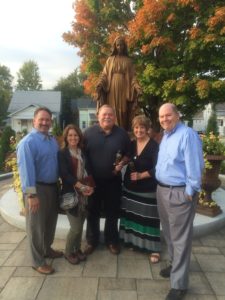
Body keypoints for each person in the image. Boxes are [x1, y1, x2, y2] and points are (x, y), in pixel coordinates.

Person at [155, 103, 204, 300]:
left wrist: (190, 191)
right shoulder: (166, 136)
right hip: (163, 190)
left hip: (179, 193)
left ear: (177, 115)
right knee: (169, 233)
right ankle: (175, 265)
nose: (164, 119)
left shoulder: (187, 135)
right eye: (161, 117)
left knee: (181, 238)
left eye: (168, 115)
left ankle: (179, 284)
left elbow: (196, 164)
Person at [17, 107, 63, 275]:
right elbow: (26, 171)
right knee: (35, 226)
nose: (44, 122)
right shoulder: (27, 143)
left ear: (51, 121)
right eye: (41, 119)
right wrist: (31, 195)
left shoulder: (51, 140)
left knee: (50, 222)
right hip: (37, 189)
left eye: (47, 120)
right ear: (34, 120)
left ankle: (46, 249)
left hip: (52, 187)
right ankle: (37, 261)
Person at [83, 104, 131, 255]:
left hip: (113, 181)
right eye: (104, 114)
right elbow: (82, 156)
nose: (107, 117)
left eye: (110, 115)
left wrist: (122, 163)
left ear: (115, 117)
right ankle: (92, 241)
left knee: (112, 212)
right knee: (92, 212)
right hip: (93, 181)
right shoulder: (88, 133)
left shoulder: (122, 134)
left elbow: (128, 153)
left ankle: (112, 241)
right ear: (98, 116)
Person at [119, 115, 161, 263]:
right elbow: (126, 157)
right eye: (136, 127)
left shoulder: (154, 146)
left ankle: (154, 248)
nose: (139, 130)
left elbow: (159, 168)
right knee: (132, 217)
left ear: (147, 129)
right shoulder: (131, 144)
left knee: (149, 219)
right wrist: (120, 164)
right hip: (130, 188)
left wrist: (142, 175)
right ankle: (134, 243)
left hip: (148, 189)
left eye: (142, 127)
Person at [58, 124, 94, 265]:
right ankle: (68, 252)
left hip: (84, 195)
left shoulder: (82, 152)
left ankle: (77, 249)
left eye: (76, 135)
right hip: (71, 195)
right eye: (70, 135)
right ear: (66, 137)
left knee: (81, 224)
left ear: (79, 137)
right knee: (76, 227)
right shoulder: (62, 153)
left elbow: (89, 171)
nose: (73, 138)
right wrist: (81, 186)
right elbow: (65, 175)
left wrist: (90, 187)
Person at [96, 36, 142, 131]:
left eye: (121, 45)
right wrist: (100, 83)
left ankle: (122, 131)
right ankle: (111, 130)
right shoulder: (110, 60)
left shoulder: (129, 61)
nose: (120, 47)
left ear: (124, 46)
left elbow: (133, 77)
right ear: (115, 46)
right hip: (111, 88)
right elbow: (104, 74)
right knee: (112, 109)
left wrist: (137, 87)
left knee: (123, 111)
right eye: (118, 45)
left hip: (124, 88)